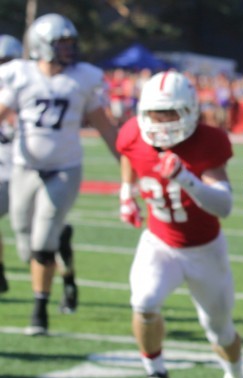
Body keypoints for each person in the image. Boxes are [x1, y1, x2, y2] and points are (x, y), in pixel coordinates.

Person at [116, 70, 243, 378]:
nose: (160, 123)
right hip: (159, 240)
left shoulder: (208, 140)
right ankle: (156, 373)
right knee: (143, 302)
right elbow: (129, 155)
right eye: (154, 114)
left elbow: (223, 205)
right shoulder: (132, 131)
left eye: (169, 113)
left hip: (204, 249)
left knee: (220, 332)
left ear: (190, 111)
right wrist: (127, 194)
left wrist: (185, 178)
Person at [0, 13, 119, 334]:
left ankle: (39, 309)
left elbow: (106, 127)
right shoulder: (20, 76)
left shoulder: (82, 78)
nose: (68, 49)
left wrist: (128, 166)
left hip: (64, 169)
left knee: (42, 242)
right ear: (41, 45)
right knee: (24, 241)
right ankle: (61, 254)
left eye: (70, 43)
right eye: (61, 43)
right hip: (25, 168)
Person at [0, 34, 23, 294]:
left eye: (6, 61)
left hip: (23, 171)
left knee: (36, 244)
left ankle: (68, 275)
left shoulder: (28, 89)